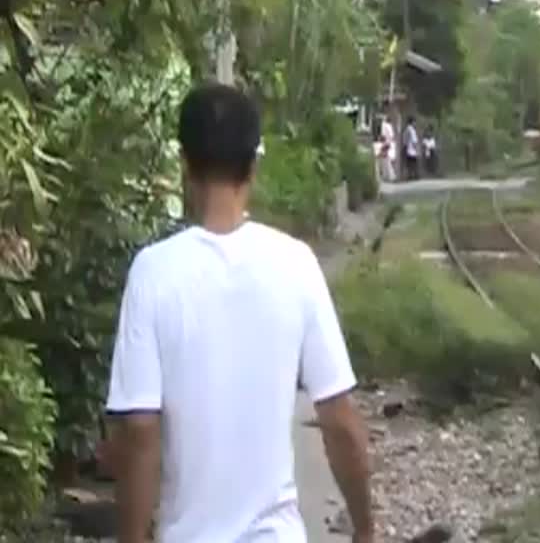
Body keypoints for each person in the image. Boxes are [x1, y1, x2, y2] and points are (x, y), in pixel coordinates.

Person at [104, 83, 373, 543]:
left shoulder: (153, 273)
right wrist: (366, 529)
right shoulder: (296, 263)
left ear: (184, 163)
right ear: (253, 165)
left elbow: (139, 431)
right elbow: (339, 420)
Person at [378, 114, 396, 183]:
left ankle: (388, 175)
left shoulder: (384, 125)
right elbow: (391, 136)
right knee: (385, 159)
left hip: (386, 144)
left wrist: (383, 141)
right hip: (388, 143)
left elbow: (383, 136)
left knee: (384, 159)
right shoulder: (389, 126)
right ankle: (388, 175)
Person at [402, 115, 419, 181]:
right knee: (414, 163)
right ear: (412, 122)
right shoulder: (412, 130)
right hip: (412, 149)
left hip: (407, 148)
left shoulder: (406, 129)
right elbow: (414, 140)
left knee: (409, 163)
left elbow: (404, 140)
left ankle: (409, 175)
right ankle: (414, 175)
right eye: (414, 122)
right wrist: (416, 148)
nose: (415, 123)